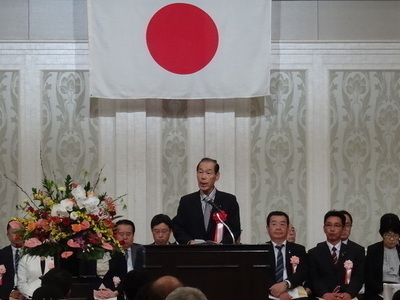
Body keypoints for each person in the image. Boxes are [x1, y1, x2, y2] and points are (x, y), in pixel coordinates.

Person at [172, 157, 241, 244]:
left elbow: (235, 230)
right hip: (194, 254)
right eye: (200, 172)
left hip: (220, 255)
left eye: (208, 173)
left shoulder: (229, 201)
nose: (203, 177)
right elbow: (178, 228)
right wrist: (189, 242)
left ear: (217, 176)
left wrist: (222, 245)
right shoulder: (186, 201)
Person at [308, 210, 365, 300]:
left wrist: (349, 294)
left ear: (343, 229)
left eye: (337, 225)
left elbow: (358, 277)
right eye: (328, 225)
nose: (332, 229)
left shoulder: (356, 251)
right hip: (323, 297)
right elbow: (314, 278)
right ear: (324, 228)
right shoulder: (314, 253)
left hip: (347, 297)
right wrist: (325, 294)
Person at [265, 211, 308, 300]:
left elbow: (303, 272)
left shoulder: (298, 249)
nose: (278, 228)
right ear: (267, 228)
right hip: (269, 293)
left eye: (282, 224)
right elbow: (260, 276)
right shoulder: (261, 250)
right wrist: (277, 293)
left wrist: (286, 284)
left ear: (288, 228)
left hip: (293, 291)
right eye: (274, 224)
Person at [365, 213, 400, 300]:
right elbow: (368, 277)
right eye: (388, 235)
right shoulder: (373, 250)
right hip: (379, 293)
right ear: (382, 235)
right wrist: (383, 290)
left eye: (395, 235)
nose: (392, 239)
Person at [0, 220, 24, 300]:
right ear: (8, 235)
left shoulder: (33, 253)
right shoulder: (2, 254)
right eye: (14, 232)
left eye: (21, 231)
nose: (18, 235)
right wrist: (10, 292)